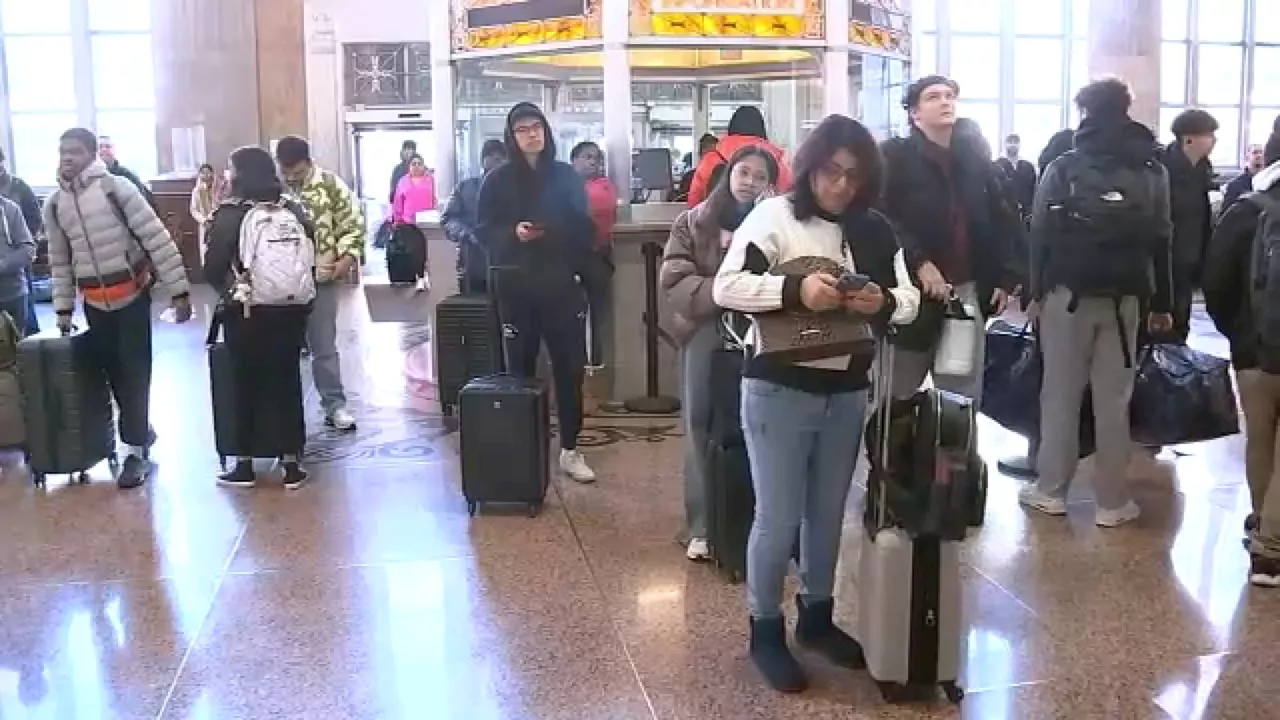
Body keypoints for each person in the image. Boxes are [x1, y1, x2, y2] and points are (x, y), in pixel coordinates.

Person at [713, 115, 919, 693]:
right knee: (777, 516)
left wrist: (880, 301)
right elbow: (725, 287)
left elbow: (905, 299)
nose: (840, 186)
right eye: (831, 172)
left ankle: (818, 617)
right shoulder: (775, 216)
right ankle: (765, 629)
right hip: (778, 386)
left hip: (847, 390)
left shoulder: (874, 230)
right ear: (810, 168)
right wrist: (793, 290)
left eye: (853, 176)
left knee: (827, 514)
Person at [1019, 78, 1174, 527]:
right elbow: (1163, 237)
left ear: (1084, 111)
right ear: (1126, 109)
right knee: (1114, 398)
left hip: (1067, 293)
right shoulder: (1151, 169)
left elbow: (1040, 236)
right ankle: (1112, 502)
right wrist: (1161, 300)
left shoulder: (1065, 165)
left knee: (1060, 395)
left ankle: (1051, 491)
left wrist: (1035, 291)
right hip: (1127, 296)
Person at [45, 128, 193, 488]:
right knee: (111, 375)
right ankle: (139, 428)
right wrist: (63, 309)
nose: (67, 157)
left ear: (92, 154)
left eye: (76, 152)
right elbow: (59, 262)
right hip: (95, 304)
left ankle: (135, 453)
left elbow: (155, 237)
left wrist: (180, 290)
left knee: (135, 371)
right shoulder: (54, 204)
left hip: (132, 296)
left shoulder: (117, 189)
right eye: (63, 151)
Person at [662, 145, 780, 562]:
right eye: (743, 172)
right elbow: (675, 280)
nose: (749, 182)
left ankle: (753, 521)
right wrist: (723, 287)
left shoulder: (775, 225)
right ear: (728, 174)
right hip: (704, 331)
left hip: (761, 334)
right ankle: (701, 525)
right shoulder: (693, 222)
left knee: (758, 426)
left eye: (760, 176)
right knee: (699, 422)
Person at [476, 102, 597, 484]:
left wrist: (557, 232)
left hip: (561, 283)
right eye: (523, 129)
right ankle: (523, 445)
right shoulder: (496, 181)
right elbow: (483, 231)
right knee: (519, 369)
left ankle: (570, 448)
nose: (532, 134)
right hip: (515, 285)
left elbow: (585, 228)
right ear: (511, 136)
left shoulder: (565, 176)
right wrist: (514, 234)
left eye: (537, 127)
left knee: (569, 368)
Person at [880, 74, 1019, 402]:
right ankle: (892, 454)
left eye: (949, 96)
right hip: (912, 293)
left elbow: (1003, 218)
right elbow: (883, 217)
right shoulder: (895, 157)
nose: (945, 102)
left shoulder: (974, 161)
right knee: (895, 396)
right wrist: (919, 261)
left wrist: (1007, 277)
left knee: (960, 398)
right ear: (915, 113)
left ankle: (955, 454)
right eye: (933, 97)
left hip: (966, 291)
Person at [204, 146, 314, 490]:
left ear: (239, 173)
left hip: (247, 310)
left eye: (229, 168)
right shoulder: (291, 207)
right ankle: (292, 463)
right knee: (287, 380)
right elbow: (309, 247)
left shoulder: (230, 213)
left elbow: (211, 268)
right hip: (291, 308)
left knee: (244, 382)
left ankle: (245, 464)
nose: (226, 174)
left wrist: (232, 288)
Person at [1204, 129, 1280, 586]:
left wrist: (1238, 334)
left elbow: (1216, 282)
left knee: (1260, 439)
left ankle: (1260, 524)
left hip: (1253, 350)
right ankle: (1272, 548)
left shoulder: (1247, 209)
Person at [275, 135, 365, 432]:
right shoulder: (272, 189)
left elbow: (352, 221)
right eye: (285, 172)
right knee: (283, 350)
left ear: (309, 163)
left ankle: (335, 406)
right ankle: (285, 414)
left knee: (324, 346)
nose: (291, 178)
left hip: (321, 279)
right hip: (279, 285)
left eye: (297, 173)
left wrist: (348, 257)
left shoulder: (329, 184)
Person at [1162, 108, 1218, 343]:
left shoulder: (1202, 169)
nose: (1213, 140)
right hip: (1167, 260)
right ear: (1189, 139)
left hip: (1190, 258)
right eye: (1209, 135)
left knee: (1182, 322)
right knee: (1164, 328)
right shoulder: (1163, 170)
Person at [571, 141, 618, 368]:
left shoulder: (604, 185)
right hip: (567, 259)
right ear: (574, 160)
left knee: (600, 316)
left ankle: (598, 367)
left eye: (596, 158)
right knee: (571, 318)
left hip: (597, 256)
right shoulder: (564, 183)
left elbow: (600, 204)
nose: (593, 162)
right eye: (587, 157)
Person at [687, 107, 792, 207]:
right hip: (764, 223)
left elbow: (694, 201)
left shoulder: (712, 159)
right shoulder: (778, 163)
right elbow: (788, 200)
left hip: (715, 223)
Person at [442, 139, 506, 293]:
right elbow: (448, 219)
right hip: (474, 262)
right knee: (475, 312)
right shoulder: (465, 188)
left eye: (503, 159)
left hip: (508, 265)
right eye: (495, 159)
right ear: (484, 160)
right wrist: (467, 234)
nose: (499, 164)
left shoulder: (515, 190)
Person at [0, 147, 42, 335]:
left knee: (19, 336)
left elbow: (34, 217)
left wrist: (7, 260)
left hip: (12, 284)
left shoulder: (15, 192)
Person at [391, 153, 436, 292]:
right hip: (409, 222)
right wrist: (396, 220)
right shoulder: (403, 181)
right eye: (413, 164)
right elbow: (398, 202)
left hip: (428, 220)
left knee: (427, 250)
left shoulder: (430, 180)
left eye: (419, 163)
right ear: (409, 167)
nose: (416, 166)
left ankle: (429, 275)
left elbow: (435, 198)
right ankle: (420, 277)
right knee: (415, 250)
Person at [0, 195, 34, 334]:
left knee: (13, 351)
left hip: (12, 295)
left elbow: (27, 250)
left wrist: (2, 265)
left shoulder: (9, 209)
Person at [98, 135, 156, 207]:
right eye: (100, 147)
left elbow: (142, 202)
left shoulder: (127, 175)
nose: (104, 149)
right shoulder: (88, 177)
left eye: (107, 146)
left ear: (114, 150)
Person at [996, 133, 1038, 222]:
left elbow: (1033, 188)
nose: (1013, 145)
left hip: (1026, 211)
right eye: (1010, 142)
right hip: (1003, 212)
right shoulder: (997, 165)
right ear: (1005, 144)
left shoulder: (1028, 166)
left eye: (1015, 142)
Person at [670, 133, 718, 203]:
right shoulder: (689, 177)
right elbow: (679, 201)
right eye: (708, 154)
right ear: (700, 155)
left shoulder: (723, 176)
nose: (711, 158)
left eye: (714, 155)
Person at [1221, 143, 1267, 213]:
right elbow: (1225, 216)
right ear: (1247, 158)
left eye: (1262, 153)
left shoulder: (1271, 183)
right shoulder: (1235, 185)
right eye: (1255, 152)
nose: (1259, 156)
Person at [190, 163, 217, 250]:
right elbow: (193, 210)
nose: (206, 175)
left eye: (208, 172)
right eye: (203, 173)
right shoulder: (197, 191)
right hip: (205, 224)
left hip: (217, 224)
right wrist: (204, 221)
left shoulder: (218, 188)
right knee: (205, 250)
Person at [389, 139, 417, 205]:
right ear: (402, 152)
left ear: (414, 152)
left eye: (410, 149)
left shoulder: (422, 168)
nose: (408, 152)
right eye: (405, 149)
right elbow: (393, 192)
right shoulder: (397, 169)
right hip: (400, 206)